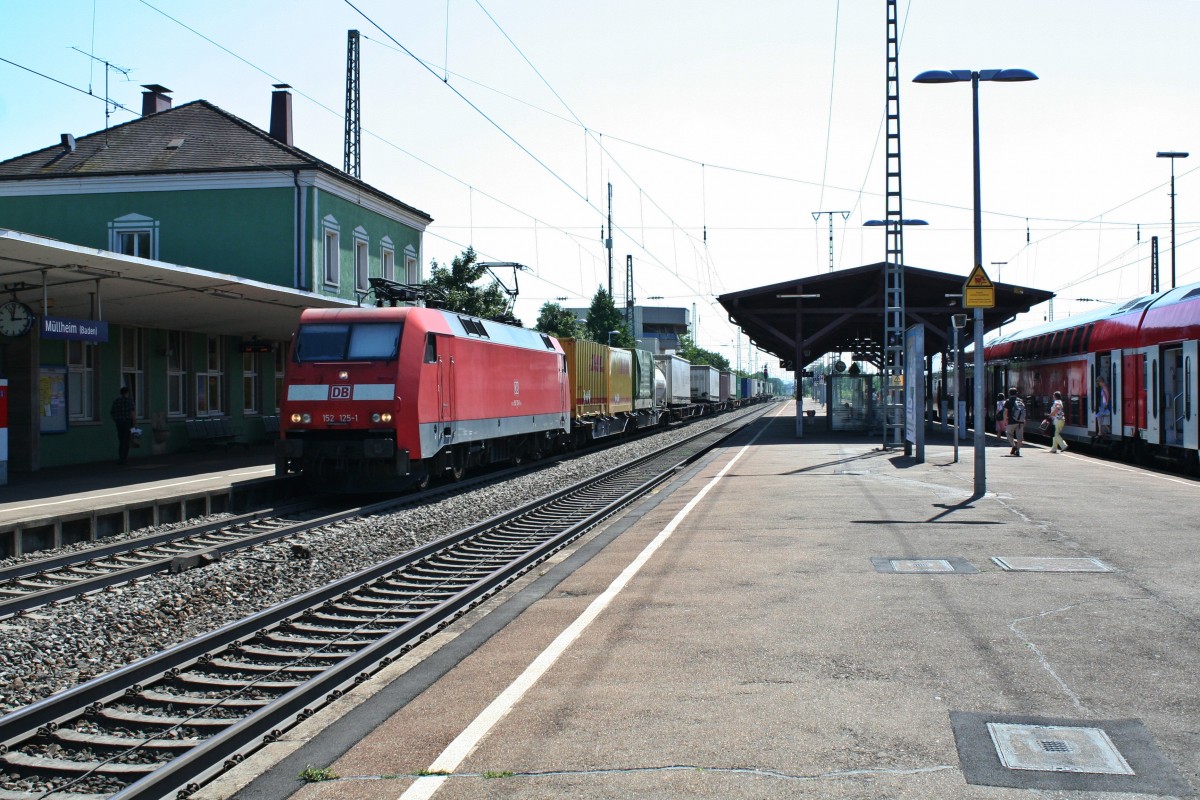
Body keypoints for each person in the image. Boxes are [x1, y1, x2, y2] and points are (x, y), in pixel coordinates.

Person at [110, 386, 135, 465]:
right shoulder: (129, 401)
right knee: (127, 441)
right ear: (127, 393)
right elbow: (132, 412)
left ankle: (121, 458)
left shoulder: (116, 401)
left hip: (119, 423)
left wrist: (116, 420)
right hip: (128, 422)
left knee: (121, 440)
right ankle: (124, 458)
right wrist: (135, 422)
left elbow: (112, 412)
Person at [1003, 386, 1025, 457]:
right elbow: (1023, 411)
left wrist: (1005, 420)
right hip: (1020, 422)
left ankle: (1013, 446)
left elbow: (1005, 412)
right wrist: (1024, 419)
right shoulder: (1020, 401)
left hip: (1011, 421)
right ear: (1016, 393)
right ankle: (1018, 450)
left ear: (1009, 393)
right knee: (1020, 438)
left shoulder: (1008, 401)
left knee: (1008, 433)